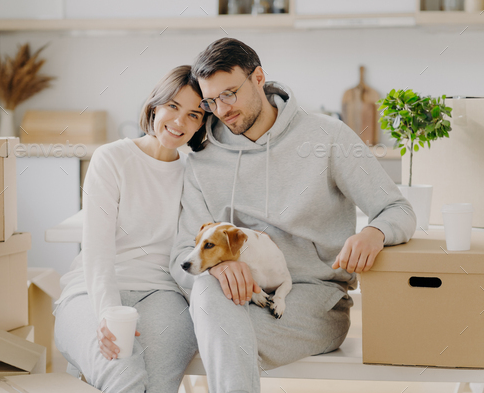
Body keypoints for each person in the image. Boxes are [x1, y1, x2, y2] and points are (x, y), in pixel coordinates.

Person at [170, 38, 417, 393]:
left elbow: (398, 209)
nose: (221, 110)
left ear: (258, 78)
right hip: (232, 301)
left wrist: (375, 232)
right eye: (211, 101)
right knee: (209, 301)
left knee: (211, 331)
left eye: (230, 94)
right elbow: (183, 255)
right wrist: (221, 266)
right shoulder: (203, 158)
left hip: (313, 303)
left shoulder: (327, 137)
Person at [54, 65, 209, 393]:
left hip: (162, 294)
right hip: (91, 292)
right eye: (173, 107)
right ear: (155, 106)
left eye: (194, 115)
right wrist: (106, 312)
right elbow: (97, 250)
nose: (180, 122)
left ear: (201, 126)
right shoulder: (111, 158)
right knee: (123, 375)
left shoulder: (194, 175)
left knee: (156, 385)